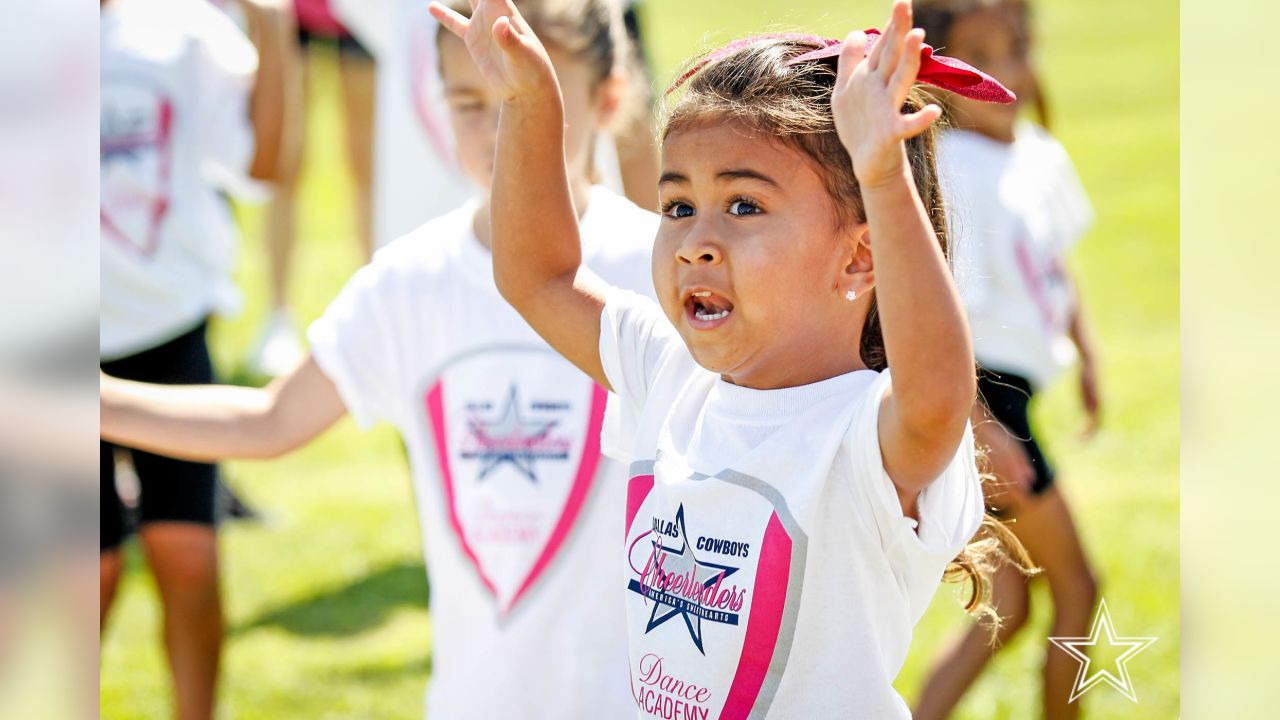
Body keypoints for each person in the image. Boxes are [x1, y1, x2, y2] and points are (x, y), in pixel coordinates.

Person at [430, 0, 1030, 716]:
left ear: (860, 254)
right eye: (678, 206)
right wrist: (530, 102)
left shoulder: (863, 434)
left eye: (743, 205)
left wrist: (882, 176)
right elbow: (536, 276)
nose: (694, 242)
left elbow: (937, 395)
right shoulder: (669, 376)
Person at [101, 1, 658, 716]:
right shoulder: (412, 280)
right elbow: (270, 419)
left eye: (527, 97)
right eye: (467, 103)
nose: (498, 129)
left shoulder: (660, 266)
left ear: (609, 98)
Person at [910, 1, 1100, 718]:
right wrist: (981, 425)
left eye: (1014, 49)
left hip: (1016, 398)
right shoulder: (950, 170)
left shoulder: (1037, 154)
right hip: (988, 402)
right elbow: (936, 319)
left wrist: (1086, 357)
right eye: (976, 59)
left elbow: (1055, 265)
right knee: (1080, 587)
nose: (1004, 73)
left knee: (1010, 608)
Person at [99, 1, 281, 718]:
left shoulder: (182, 30)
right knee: (87, 572)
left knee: (189, 558)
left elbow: (260, 165)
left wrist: (274, 31)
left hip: (166, 329)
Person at [249, 0, 378, 377]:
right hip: (291, 15)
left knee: (367, 166)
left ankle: (375, 315)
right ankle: (276, 319)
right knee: (283, 164)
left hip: (367, 17)